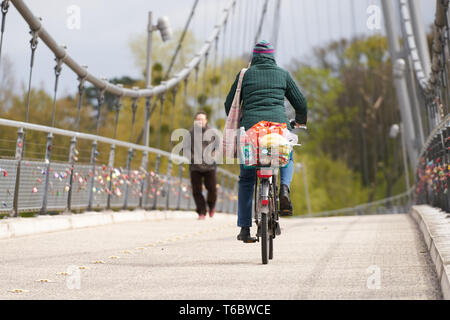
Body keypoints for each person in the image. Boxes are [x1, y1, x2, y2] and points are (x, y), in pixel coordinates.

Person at [224, 40, 308, 243]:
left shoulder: (245, 75)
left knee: (246, 178)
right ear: (272, 57)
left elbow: (229, 103)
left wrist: (240, 121)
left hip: (251, 129)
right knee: (287, 156)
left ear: (254, 57)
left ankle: (244, 228)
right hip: (278, 127)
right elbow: (301, 103)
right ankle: (285, 188)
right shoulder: (282, 74)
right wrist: (299, 122)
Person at [188, 111, 218, 220]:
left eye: (202, 119)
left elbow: (216, 149)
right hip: (195, 166)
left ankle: (211, 206)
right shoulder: (190, 134)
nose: (200, 121)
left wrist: (211, 157)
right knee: (196, 191)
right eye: (198, 120)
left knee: (212, 189)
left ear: (206, 121)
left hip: (209, 166)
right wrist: (192, 158)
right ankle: (201, 212)